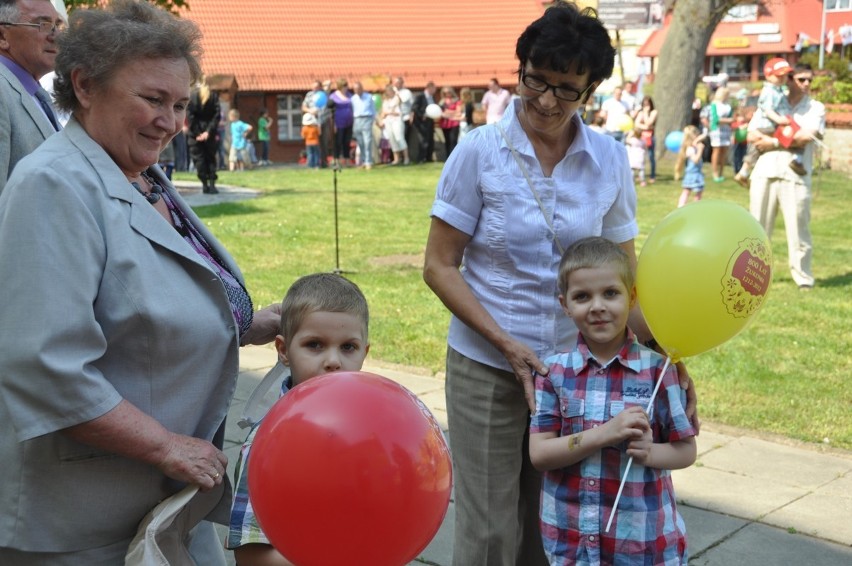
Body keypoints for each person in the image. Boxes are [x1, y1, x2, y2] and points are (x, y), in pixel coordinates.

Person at [0, 1, 282, 563]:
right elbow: (44, 365)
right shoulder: (54, 184)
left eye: (179, 104)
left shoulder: (140, 172)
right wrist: (166, 447)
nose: (174, 122)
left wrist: (244, 323)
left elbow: (142, 303)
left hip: (168, 505)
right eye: (153, 99)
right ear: (84, 85)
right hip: (86, 520)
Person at [422, 3, 697, 564]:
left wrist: (669, 356)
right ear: (520, 68)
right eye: (535, 81)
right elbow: (439, 265)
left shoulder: (608, 159)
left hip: (580, 371)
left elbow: (627, 277)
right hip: (488, 365)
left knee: (558, 518)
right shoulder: (479, 151)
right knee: (490, 528)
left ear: (591, 89)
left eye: (567, 89)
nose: (546, 101)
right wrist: (506, 344)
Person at [530, 237, 696, 565]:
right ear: (565, 305)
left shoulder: (657, 371)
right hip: (571, 539)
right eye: (582, 297)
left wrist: (651, 452)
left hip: (641, 541)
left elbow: (686, 450)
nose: (597, 306)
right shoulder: (554, 373)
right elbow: (540, 454)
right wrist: (605, 434)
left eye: (610, 293)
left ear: (631, 296)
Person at [227, 273, 370, 566]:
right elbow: (251, 554)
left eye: (348, 347)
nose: (333, 360)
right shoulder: (269, 441)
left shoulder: (373, 432)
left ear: (365, 352)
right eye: (315, 345)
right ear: (283, 351)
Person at [748, 63, 825, 291]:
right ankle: (753, 278)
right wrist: (784, 136)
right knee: (757, 229)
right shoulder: (771, 97)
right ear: (789, 79)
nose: (807, 84)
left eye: (809, 80)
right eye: (801, 79)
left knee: (798, 229)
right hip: (765, 170)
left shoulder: (815, 107)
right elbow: (752, 133)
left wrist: (771, 141)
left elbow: (805, 137)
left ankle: (803, 278)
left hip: (795, 175)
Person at [0, 0, 64, 193]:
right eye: (42, 25)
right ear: (2, 36)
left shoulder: (33, 92)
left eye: (57, 26)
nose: (56, 36)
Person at [734, 57, 805, 187]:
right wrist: (779, 119)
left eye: (785, 76)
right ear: (768, 76)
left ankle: (744, 173)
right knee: (760, 146)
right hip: (767, 125)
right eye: (779, 76)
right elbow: (767, 109)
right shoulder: (769, 91)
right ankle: (744, 172)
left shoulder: (779, 90)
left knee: (758, 148)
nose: (783, 79)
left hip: (772, 124)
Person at [187, 78, 221, 193]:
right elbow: (216, 116)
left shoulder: (192, 96)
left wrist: (197, 133)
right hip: (210, 134)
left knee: (199, 160)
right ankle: (212, 185)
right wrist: (208, 132)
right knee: (211, 159)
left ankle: (204, 185)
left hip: (195, 136)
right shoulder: (214, 97)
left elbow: (190, 117)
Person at [700, 86, 733, 182]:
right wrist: (724, 121)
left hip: (726, 130)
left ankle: (721, 172)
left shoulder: (728, 106)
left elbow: (731, 119)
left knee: (724, 152)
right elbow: (715, 119)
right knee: (717, 150)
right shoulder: (713, 106)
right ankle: (715, 173)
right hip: (716, 131)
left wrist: (726, 121)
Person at [676, 125, 707, 208]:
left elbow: (704, 135)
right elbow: (696, 160)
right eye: (696, 135)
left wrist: (697, 141)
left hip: (697, 173)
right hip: (692, 174)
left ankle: (696, 206)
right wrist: (700, 150)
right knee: (687, 191)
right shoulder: (690, 149)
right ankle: (681, 206)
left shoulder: (693, 146)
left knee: (698, 191)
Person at [379, 82, 408, 166]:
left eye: (390, 90)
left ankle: (406, 158)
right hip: (388, 122)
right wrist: (385, 115)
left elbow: (397, 111)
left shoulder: (397, 99)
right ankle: (396, 159)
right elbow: (383, 112)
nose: (388, 92)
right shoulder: (385, 101)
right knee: (392, 139)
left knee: (399, 138)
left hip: (397, 121)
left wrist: (396, 90)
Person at [351, 80, 375, 169]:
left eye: (358, 89)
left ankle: (369, 161)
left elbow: (373, 109)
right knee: (360, 142)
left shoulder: (369, 97)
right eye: (355, 89)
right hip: (357, 120)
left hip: (367, 118)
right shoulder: (353, 98)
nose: (357, 91)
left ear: (362, 88)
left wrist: (372, 119)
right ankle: (364, 161)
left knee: (367, 141)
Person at [329, 77, 353, 167]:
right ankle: (337, 160)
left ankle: (347, 160)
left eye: (346, 86)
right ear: (340, 86)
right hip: (338, 123)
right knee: (338, 142)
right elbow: (331, 111)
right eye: (344, 86)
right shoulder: (333, 96)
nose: (346, 87)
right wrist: (333, 124)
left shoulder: (349, 95)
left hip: (349, 122)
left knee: (347, 142)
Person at [633, 95, 657, 183]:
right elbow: (637, 124)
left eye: (647, 104)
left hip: (650, 137)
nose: (646, 106)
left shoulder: (654, 112)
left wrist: (646, 113)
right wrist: (646, 127)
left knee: (651, 156)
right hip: (641, 137)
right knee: (640, 156)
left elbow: (649, 122)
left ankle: (652, 175)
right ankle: (640, 174)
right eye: (644, 104)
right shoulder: (640, 112)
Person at [412, 80, 437, 163]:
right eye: (434, 89)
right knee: (423, 140)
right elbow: (414, 107)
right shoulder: (420, 96)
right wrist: (422, 115)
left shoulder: (432, 97)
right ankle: (421, 158)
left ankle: (429, 157)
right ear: (429, 88)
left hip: (430, 121)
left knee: (430, 139)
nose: (435, 91)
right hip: (421, 122)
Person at [439, 85, 462, 158]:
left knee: (453, 141)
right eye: (445, 93)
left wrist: (447, 112)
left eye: (448, 92)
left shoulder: (457, 100)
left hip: (454, 123)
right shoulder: (442, 102)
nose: (447, 94)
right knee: (447, 141)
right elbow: (440, 112)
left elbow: (458, 112)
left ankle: (454, 157)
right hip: (445, 124)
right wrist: (452, 113)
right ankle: (448, 157)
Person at [228, 107, 252, 172]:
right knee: (232, 157)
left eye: (230, 116)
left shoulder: (240, 123)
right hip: (234, 144)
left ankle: (249, 166)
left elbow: (250, 127)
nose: (229, 118)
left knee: (245, 157)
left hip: (241, 143)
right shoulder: (232, 124)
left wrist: (246, 133)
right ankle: (231, 170)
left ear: (234, 117)